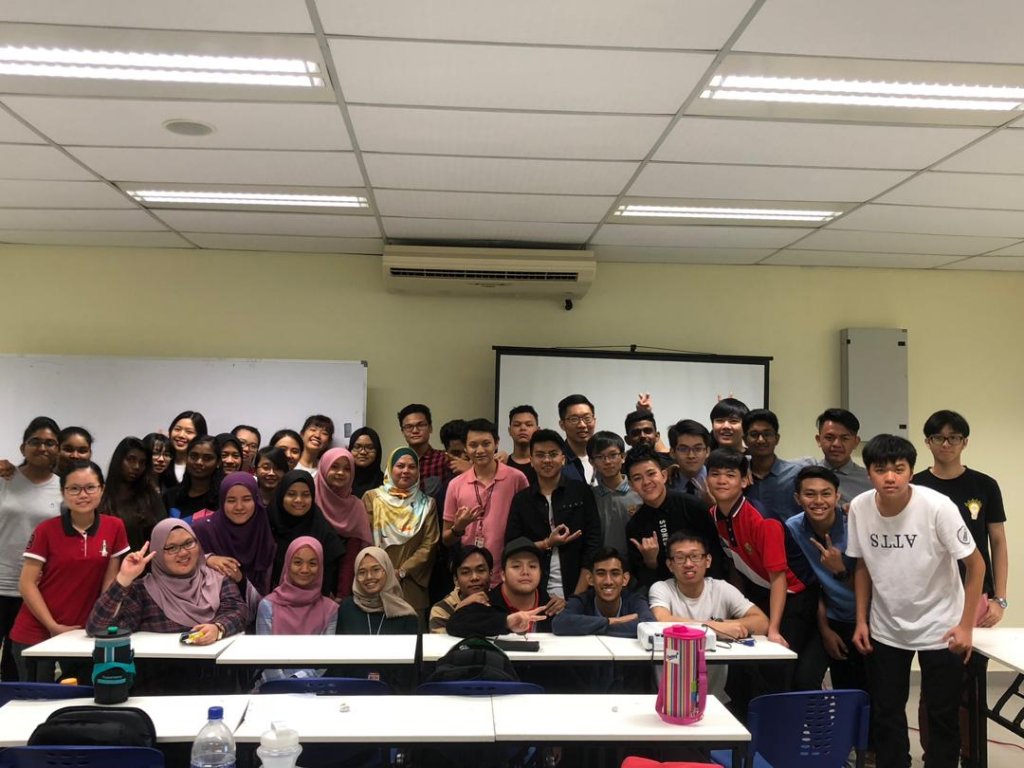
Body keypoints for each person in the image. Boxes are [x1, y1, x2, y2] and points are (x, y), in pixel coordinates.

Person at [849, 434, 984, 768]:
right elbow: (862, 565)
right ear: (869, 473)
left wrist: (966, 626)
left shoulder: (937, 506)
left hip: (941, 625)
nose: (890, 477)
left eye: (899, 469)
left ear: (911, 471)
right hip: (886, 626)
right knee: (887, 712)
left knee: (942, 713)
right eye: (880, 469)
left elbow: (976, 565)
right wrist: (861, 620)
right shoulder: (860, 507)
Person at [912, 410, 1009, 764]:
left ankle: (971, 755)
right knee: (934, 683)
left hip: (974, 595)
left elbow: (997, 542)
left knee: (971, 682)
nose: (947, 444)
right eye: (939, 437)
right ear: (928, 442)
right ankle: (936, 755)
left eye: (954, 437)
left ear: (965, 442)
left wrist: (999, 598)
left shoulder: (985, 485)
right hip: (930, 599)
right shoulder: (915, 485)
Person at [86, 518, 246, 694]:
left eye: (188, 543)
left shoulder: (218, 579)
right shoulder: (143, 590)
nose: (183, 553)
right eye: (171, 548)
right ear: (157, 553)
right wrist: (124, 579)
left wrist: (218, 628)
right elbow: (98, 628)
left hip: (218, 684)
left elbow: (238, 611)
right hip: (159, 687)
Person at [10, 460, 128, 682]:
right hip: (36, 632)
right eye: (74, 488)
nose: (83, 495)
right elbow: (26, 584)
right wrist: (52, 626)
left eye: (90, 487)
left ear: (102, 489)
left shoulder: (115, 527)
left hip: (84, 632)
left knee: (81, 695)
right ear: (63, 492)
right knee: (37, 698)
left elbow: (109, 583)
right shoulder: (46, 530)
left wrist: (102, 624)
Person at [706, 448, 814, 656]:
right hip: (760, 591)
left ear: (744, 481)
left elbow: (779, 578)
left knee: (778, 659)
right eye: (715, 474)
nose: (722, 480)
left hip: (794, 595)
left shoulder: (763, 520)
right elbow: (735, 563)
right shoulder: (714, 515)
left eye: (730, 475)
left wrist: (773, 629)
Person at [647, 532, 768, 705]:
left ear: (708, 560)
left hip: (715, 697)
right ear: (670, 565)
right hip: (670, 695)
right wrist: (715, 628)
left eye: (695, 556)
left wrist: (725, 624)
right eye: (680, 558)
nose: (688, 564)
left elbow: (762, 622)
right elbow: (662, 621)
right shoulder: (661, 588)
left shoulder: (721, 588)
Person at [784, 465, 866, 694]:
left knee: (863, 690)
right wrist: (825, 630)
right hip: (829, 618)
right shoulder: (793, 528)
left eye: (826, 493)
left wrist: (839, 570)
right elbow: (811, 586)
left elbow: (873, 585)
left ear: (837, 496)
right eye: (810, 494)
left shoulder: (855, 525)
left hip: (868, 618)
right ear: (798, 498)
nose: (818, 501)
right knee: (804, 680)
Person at [0, 417, 62, 681]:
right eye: (35, 441)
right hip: (1, 582)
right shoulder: (5, 478)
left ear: (58, 450)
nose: (42, 447)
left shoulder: (63, 488)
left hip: (37, 589)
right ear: (23, 447)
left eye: (50, 443)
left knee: (19, 662)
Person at [506, 429, 602, 598]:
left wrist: (576, 598)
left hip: (578, 590)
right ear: (531, 460)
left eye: (553, 454)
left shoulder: (581, 492)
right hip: (534, 593)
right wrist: (546, 543)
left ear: (563, 459)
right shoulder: (522, 500)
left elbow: (592, 545)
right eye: (540, 455)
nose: (547, 460)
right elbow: (512, 547)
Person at [623, 445, 724, 591]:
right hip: (665, 595)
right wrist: (650, 561)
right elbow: (642, 578)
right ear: (631, 486)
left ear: (664, 475)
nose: (646, 482)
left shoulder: (692, 506)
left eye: (651, 474)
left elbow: (716, 553)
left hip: (705, 588)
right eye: (638, 478)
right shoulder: (635, 525)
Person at [442, 418, 528, 588]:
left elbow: (528, 526)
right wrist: (459, 528)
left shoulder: (517, 478)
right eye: (473, 445)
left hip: (508, 574)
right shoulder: (455, 485)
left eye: (486, 444)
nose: (480, 450)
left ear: (496, 443)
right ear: (465, 448)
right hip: (472, 578)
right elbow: (446, 539)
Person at [364, 447, 439, 614]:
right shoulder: (372, 498)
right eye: (400, 466)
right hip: (376, 580)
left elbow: (430, 544)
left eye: (412, 467)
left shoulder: (427, 504)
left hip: (411, 584)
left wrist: (403, 571)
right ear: (390, 468)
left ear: (418, 472)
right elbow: (364, 540)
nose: (406, 471)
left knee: (412, 628)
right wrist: (381, 570)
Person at [330, 546, 418, 687]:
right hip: (351, 688)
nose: (369, 577)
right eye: (362, 572)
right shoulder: (347, 608)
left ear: (387, 570)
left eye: (376, 570)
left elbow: (410, 670)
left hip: (393, 692)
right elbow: (339, 659)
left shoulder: (406, 615)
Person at [257, 537, 339, 685]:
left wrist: (297, 681)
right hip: (272, 687)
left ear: (320, 566)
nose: (305, 569)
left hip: (314, 687)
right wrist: (282, 686)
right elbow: (265, 656)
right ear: (288, 564)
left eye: (312, 563)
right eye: (297, 562)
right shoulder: (268, 605)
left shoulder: (330, 610)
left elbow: (324, 661)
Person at [194, 472, 277, 617]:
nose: (239, 507)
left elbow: (267, 595)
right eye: (231, 500)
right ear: (222, 501)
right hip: (204, 616)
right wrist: (207, 559)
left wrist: (241, 580)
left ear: (256, 499)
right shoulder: (202, 530)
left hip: (256, 619)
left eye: (246, 499)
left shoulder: (265, 531)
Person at [447, 537, 565, 637]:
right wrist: (505, 622)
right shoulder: (486, 602)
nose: (525, 572)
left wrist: (566, 608)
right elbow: (455, 624)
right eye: (516, 566)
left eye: (532, 566)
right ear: (503, 574)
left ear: (540, 573)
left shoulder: (551, 606)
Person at [266, 470, 343, 595]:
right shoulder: (267, 525)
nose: (298, 500)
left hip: (315, 600)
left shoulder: (322, 529)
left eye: (305, 495)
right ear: (281, 495)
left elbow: (330, 574)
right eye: (291, 494)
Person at [551, 547, 654, 637]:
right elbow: (559, 623)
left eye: (615, 573)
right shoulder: (581, 600)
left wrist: (596, 627)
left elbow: (650, 626)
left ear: (625, 579)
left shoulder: (635, 600)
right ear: (590, 579)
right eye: (601, 574)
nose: (608, 581)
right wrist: (611, 621)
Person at [315, 447, 372, 598]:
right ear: (324, 467)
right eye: (334, 466)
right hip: (309, 583)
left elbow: (356, 553)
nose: (340, 473)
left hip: (345, 589)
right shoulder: (310, 499)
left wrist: (343, 595)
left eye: (347, 469)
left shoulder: (356, 507)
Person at [97, 436, 166, 551]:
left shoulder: (150, 496)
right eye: (131, 459)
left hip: (143, 559)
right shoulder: (101, 495)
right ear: (119, 460)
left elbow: (162, 534)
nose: (136, 466)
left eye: (142, 462)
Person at [742, 409, 808, 521]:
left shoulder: (796, 474)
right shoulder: (739, 473)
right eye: (754, 435)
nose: (761, 440)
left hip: (787, 532)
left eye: (767, 434)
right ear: (745, 440)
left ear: (777, 439)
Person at [587, 431, 641, 557]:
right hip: (601, 564)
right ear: (591, 462)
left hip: (635, 563)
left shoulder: (639, 491)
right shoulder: (589, 496)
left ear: (623, 457)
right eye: (600, 457)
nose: (607, 461)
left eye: (613, 455)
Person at [428, 545, 493, 634]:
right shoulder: (441, 610)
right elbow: (442, 642)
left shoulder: (499, 601)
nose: (474, 577)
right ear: (456, 579)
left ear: (490, 573)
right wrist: (462, 609)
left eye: (481, 570)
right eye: (465, 572)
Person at [814, 408, 872, 504]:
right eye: (829, 438)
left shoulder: (870, 480)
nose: (836, 444)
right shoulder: (806, 476)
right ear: (818, 440)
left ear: (856, 442)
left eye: (844, 438)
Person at [161, 435, 221, 523]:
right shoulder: (170, 496)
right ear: (186, 457)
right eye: (194, 456)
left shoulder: (223, 498)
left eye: (207, 458)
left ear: (218, 462)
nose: (199, 462)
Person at [397, 404, 451, 496]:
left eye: (421, 425)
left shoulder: (444, 459)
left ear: (430, 428)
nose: (415, 431)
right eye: (409, 427)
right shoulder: (397, 462)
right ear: (402, 431)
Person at [666, 419, 712, 505]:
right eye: (683, 449)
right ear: (672, 453)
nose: (691, 456)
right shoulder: (665, 484)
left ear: (707, 451)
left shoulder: (719, 482)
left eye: (698, 449)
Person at [557, 394, 596, 484]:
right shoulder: (557, 462)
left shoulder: (606, 457)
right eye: (574, 419)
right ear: (562, 425)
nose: (582, 425)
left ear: (594, 420)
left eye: (587, 418)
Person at [168, 411, 208, 483]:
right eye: (177, 429)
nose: (181, 435)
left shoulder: (205, 467)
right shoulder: (162, 464)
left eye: (189, 432)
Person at [504, 405, 539, 486]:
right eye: (517, 425)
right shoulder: (503, 464)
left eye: (529, 425)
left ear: (537, 430)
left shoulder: (543, 465)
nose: (523, 428)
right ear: (509, 431)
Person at [348, 427, 385, 499]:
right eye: (357, 447)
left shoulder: (386, 484)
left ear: (377, 451)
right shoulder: (342, 480)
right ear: (350, 450)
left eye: (370, 447)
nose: (363, 452)